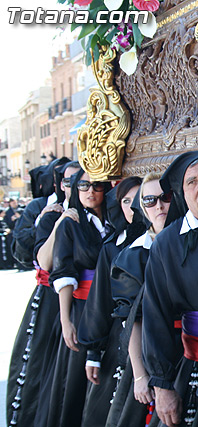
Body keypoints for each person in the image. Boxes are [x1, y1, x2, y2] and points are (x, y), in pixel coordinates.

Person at [142, 150, 198, 427]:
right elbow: (155, 316)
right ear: (181, 191)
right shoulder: (167, 243)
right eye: (192, 182)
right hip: (197, 366)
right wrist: (163, 386)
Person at [5, 157, 72, 427]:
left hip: (80, 300)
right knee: (35, 362)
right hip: (47, 298)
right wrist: (45, 224)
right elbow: (22, 251)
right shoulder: (39, 207)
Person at [46, 169, 112, 427]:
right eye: (83, 186)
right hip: (82, 309)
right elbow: (63, 273)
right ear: (74, 188)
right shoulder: (70, 223)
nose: (90, 192)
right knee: (76, 380)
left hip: (109, 306)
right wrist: (66, 319)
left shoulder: (115, 220)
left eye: (96, 185)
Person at [77, 176, 144, 427]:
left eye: (139, 199)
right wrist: (94, 352)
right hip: (122, 339)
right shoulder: (112, 248)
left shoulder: (166, 240)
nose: (134, 207)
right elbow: (100, 303)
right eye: (127, 201)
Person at [106, 172, 171, 427]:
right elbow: (131, 319)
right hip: (150, 353)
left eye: (165, 197)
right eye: (150, 201)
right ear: (141, 208)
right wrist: (140, 374)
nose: (160, 206)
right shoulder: (132, 256)